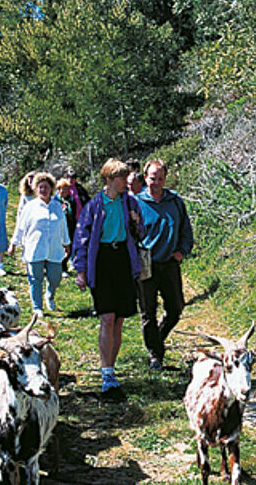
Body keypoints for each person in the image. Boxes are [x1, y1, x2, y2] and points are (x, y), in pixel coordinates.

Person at [73, 159, 143, 399]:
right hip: (102, 261)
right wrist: (81, 271)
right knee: (107, 317)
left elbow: (140, 233)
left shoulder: (130, 202)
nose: (126, 182)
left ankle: (111, 369)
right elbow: (81, 238)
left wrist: (136, 222)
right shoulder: (94, 206)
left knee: (119, 319)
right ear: (109, 179)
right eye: (122, 178)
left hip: (123, 259)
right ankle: (106, 373)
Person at [134, 159, 194, 371]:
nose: (156, 182)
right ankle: (155, 355)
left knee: (176, 308)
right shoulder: (136, 203)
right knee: (148, 312)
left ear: (165, 179)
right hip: (146, 264)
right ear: (145, 178)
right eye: (153, 178)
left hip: (169, 263)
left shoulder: (175, 201)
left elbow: (186, 230)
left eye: (160, 178)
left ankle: (157, 339)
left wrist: (182, 251)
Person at [8, 173, 70, 318]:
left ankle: (50, 295)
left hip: (54, 248)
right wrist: (13, 244)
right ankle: (37, 307)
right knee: (35, 279)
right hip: (35, 248)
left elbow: (63, 226)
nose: (43, 190)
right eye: (40, 187)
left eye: (46, 187)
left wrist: (66, 243)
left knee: (55, 277)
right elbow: (20, 227)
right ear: (36, 189)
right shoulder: (30, 207)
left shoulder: (57, 206)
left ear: (51, 189)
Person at [55, 178, 77, 274]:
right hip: (58, 228)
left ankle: (64, 265)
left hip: (70, 227)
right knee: (60, 248)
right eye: (62, 189)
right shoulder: (55, 201)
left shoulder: (71, 200)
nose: (64, 191)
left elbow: (74, 213)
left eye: (66, 189)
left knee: (69, 247)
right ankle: (61, 267)